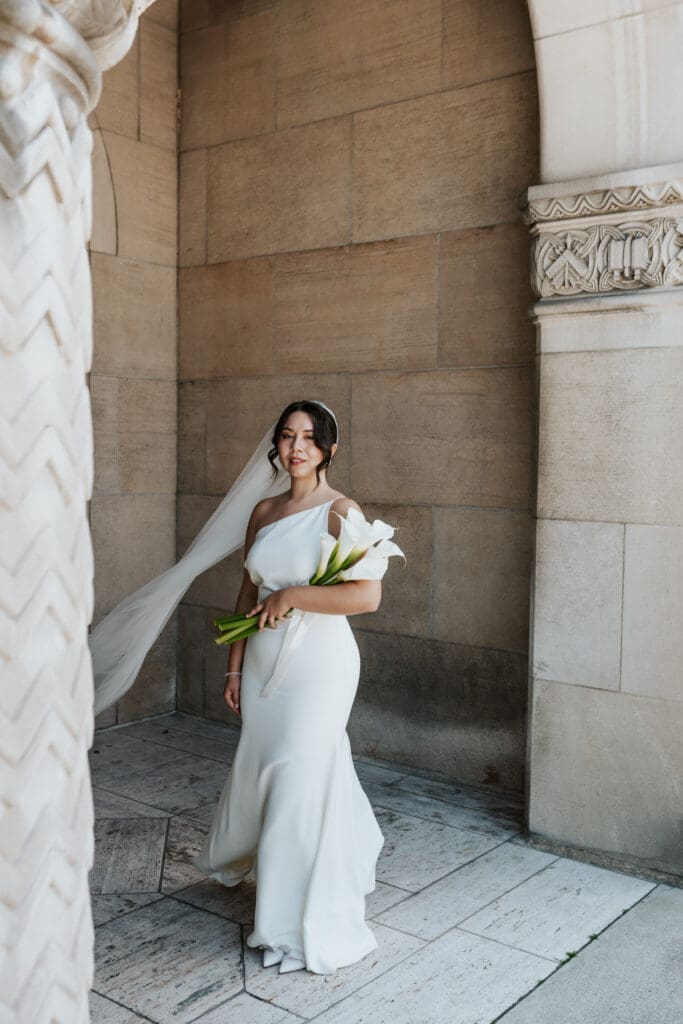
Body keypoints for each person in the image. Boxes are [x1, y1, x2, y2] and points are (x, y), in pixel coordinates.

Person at [196, 400, 391, 975]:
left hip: (319, 667)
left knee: (301, 778)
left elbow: (366, 596)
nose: (296, 447)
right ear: (276, 446)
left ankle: (287, 920)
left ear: (329, 448)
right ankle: (333, 859)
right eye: (287, 436)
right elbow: (246, 593)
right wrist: (234, 666)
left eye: (309, 438)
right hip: (261, 663)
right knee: (275, 770)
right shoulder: (263, 510)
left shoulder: (341, 512)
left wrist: (294, 596)